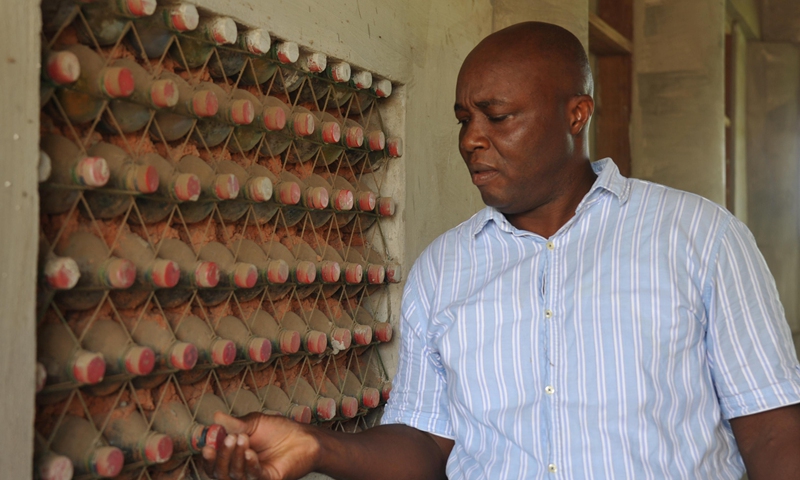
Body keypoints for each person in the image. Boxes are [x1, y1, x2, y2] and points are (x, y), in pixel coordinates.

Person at [201, 21, 800, 479]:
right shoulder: (445, 267)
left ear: (577, 114)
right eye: (464, 119)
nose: (471, 139)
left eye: (497, 116)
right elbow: (425, 442)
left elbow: (773, 432)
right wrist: (317, 447)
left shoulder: (700, 237)